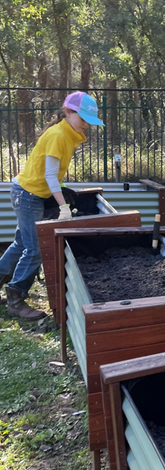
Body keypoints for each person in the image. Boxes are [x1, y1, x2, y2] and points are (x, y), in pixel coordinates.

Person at [0, 91, 104, 320]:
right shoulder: (59, 135)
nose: (87, 124)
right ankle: (15, 298)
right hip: (28, 194)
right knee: (35, 247)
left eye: (90, 121)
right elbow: (49, 175)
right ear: (68, 112)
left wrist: (61, 188)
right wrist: (63, 206)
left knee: (21, 243)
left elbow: (52, 172)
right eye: (84, 119)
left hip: (30, 192)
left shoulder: (67, 133)